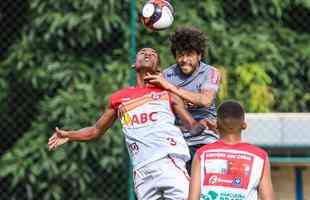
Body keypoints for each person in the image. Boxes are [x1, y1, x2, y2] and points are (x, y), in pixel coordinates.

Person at [48, 47, 208, 200]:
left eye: (152, 54)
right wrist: (69, 135)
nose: (147, 54)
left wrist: (208, 123)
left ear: (158, 67)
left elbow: (193, 126)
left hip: (168, 162)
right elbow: (96, 131)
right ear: (134, 64)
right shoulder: (119, 98)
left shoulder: (168, 94)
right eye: (142, 52)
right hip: (141, 172)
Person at [144, 26, 221, 173]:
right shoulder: (167, 75)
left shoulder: (211, 72)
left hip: (206, 137)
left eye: (189, 55)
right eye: (180, 55)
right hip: (177, 140)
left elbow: (205, 100)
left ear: (199, 55)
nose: (184, 60)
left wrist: (170, 87)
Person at [188, 100, 275, 200]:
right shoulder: (260, 157)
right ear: (244, 125)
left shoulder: (202, 154)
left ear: (216, 125)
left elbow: (193, 198)